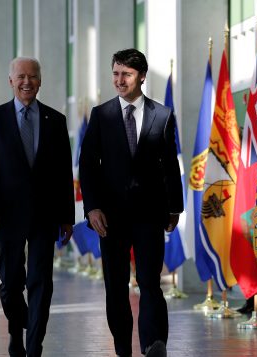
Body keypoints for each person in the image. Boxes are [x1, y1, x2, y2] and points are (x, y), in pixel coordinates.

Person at [79, 48, 183, 357]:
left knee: (150, 282)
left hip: (150, 214)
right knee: (116, 287)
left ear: (141, 77)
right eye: (115, 73)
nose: (119, 80)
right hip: (110, 218)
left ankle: (154, 344)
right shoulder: (101, 115)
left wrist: (174, 207)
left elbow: (170, 165)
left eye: (126, 74)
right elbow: (87, 165)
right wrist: (92, 207)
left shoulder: (162, 115)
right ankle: (123, 348)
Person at [0, 57, 74, 357]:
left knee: (41, 281)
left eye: (32, 76)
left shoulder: (56, 121)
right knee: (10, 284)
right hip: (7, 216)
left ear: (40, 81)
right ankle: (16, 329)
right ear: (10, 81)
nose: (26, 82)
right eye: (20, 77)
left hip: (45, 215)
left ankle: (34, 347)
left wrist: (67, 217)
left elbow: (63, 173)